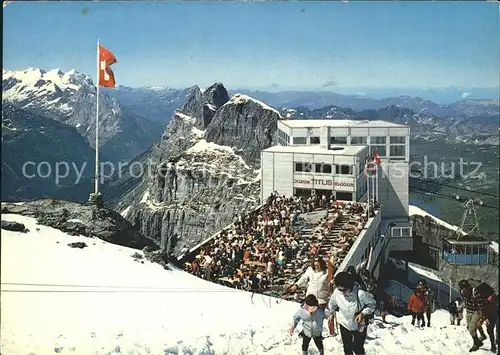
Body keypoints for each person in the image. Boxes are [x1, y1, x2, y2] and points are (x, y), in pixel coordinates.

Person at [327, 271, 376, 355]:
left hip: (359, 325)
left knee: (358, 348)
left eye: (344, 289)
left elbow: (372, 304)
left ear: (349, 286)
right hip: (344, 323)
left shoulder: (360, 294)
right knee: (347, 348)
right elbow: (332, 305)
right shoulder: (337, 293)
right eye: (339, 289)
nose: (342, 291)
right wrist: (331, 313)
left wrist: (362, 313)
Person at [459, 279, 488, 352]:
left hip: (476, 311)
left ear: (468, 287)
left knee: (472, 328)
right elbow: (465, 301)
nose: (463, 290)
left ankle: (476, 344)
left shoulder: (475, 292)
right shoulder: (461, 292)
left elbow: (481, 307)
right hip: (468, 311)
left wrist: (480, 319)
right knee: (469, 328)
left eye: (464, 288)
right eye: (461, 288)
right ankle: (479, 340)